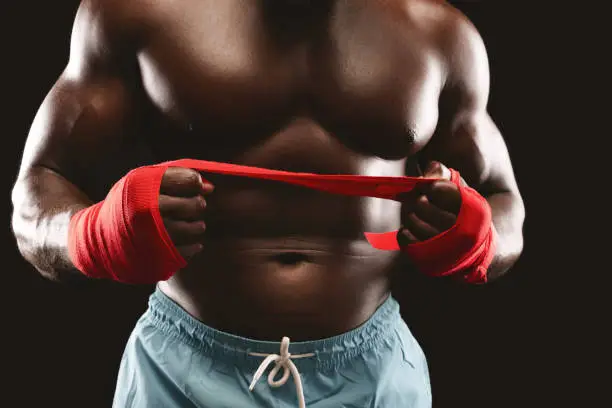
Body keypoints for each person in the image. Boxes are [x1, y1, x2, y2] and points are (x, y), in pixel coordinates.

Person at [10, 0, 525, 407]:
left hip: (371, 379)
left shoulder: (440, 35)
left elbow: (506, 205)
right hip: (180, 377)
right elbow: (35, 195)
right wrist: (93, 233)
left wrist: (478, 239)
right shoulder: (135, 13)